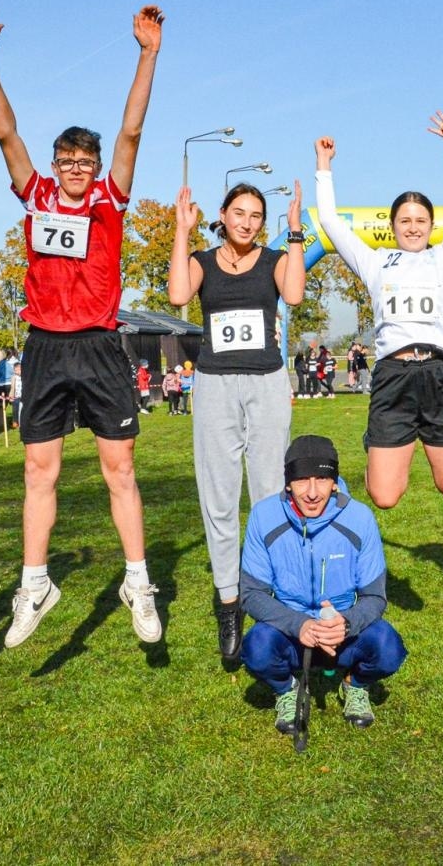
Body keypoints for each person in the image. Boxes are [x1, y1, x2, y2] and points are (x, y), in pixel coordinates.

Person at [0, 0, 166, 648]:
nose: (77, 171)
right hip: (46, 344)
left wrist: (147, 54)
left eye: (86, 162)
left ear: (95, 167)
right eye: (68, 162)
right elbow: (4, 133)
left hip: (102, 345)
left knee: (119, 468)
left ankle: (138, 581)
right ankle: (35, 584)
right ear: (55, 166)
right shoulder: (37, 195)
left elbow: (131, 132)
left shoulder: (110, 195)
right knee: (38, 471)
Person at [167, 180, 306, 661]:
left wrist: (294, 232)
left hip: (266, 383)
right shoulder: (202, 261)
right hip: (215, 386)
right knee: (219, 496)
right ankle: (229, 602)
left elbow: (295, 296)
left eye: (255, 216)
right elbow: (177, 293)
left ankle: (268, 597)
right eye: (239, 212)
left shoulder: (276, 258)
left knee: (269, 494)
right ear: (223, 215)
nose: (247, 222)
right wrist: (182, 232)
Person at [315, 112, 443, 511]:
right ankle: (385, 441)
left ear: (432, 224)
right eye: (405, 220)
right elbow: (332, 224)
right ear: (393, 225)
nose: (413, 226)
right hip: (394, 377)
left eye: (421, 220)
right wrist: (324, 166)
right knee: (384, 497)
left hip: (441, 374)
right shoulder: (376, 263)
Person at [239, 435, 407, 735]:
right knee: (256, 648)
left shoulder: (360, 518)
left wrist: (346, 622)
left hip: (341, 629)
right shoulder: (264, 516)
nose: (313, 492)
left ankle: (354, 685)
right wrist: (299, 624)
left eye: (323, 478)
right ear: (288, 482)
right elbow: (252, 593)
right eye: (303, 480)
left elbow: (374, 596)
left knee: (389, 648)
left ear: (335, 481)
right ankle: (285, 690)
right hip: (291, 631)